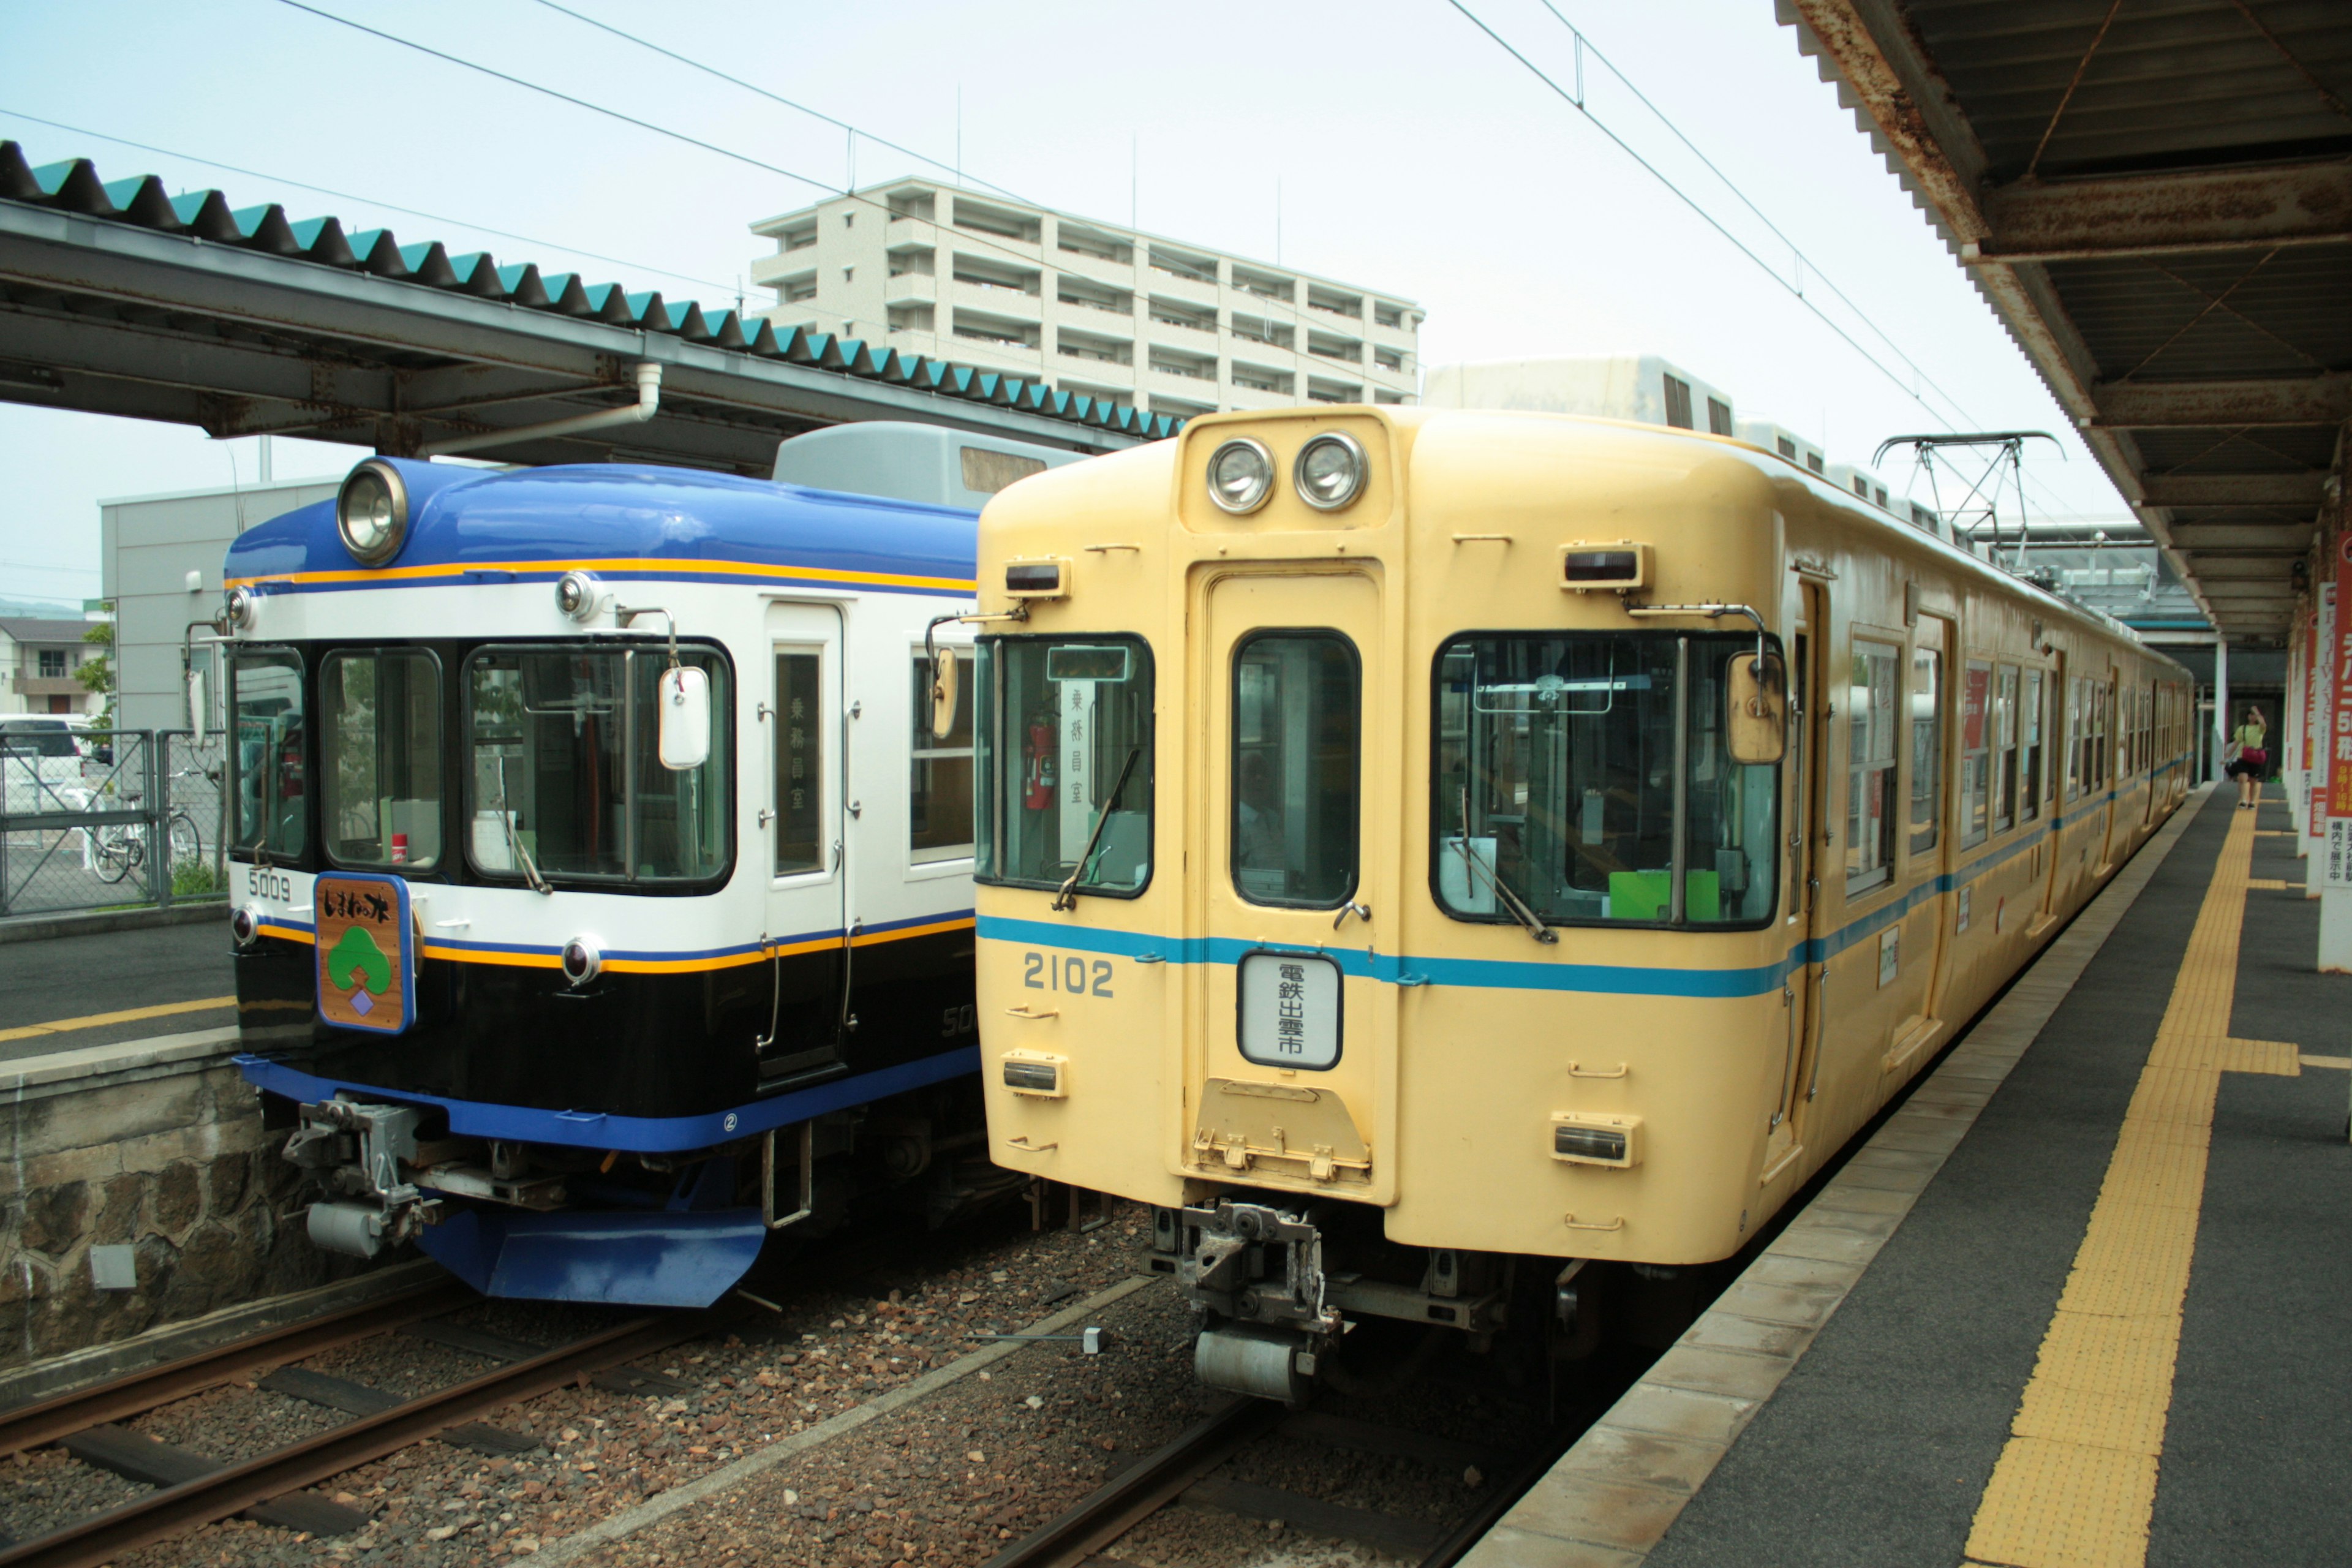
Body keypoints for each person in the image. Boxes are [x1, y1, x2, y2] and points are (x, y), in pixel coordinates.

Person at [2225, 704, 2267, 809]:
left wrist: (2257, 712)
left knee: (2254, 781)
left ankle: (2252, 802)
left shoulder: (2260, 728)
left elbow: (2263, 723)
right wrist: (2229, 753)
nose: (2252, 717)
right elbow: (2236, 742)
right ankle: (2244, 800)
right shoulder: (2242, 729)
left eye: (2254, 715)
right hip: (2243, 756)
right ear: (2247, 716)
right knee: (2242, 778)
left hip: (2256, 757)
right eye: (2250, 714)